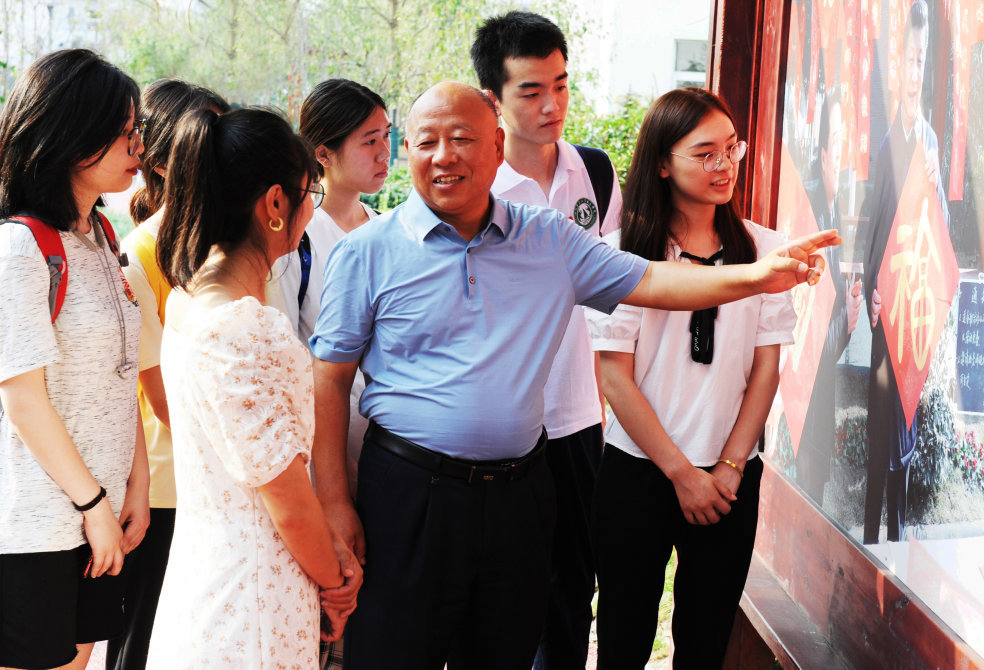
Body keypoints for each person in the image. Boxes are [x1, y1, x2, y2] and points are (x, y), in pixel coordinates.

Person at [310, 81, 839, 670]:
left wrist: (757, 276)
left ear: (497, 146)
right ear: (407, 150)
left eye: (461, 138)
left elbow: (654, 280)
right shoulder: (366, 251)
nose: (443, 156)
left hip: (517, 495)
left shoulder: (547, 238)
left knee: (506, 655)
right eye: (425, 142)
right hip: (409, 494)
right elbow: (329, 381)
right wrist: (334, 502)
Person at [144, 107, 361, 668]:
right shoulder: (242, 327)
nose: (311, 207)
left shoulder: (191, 297)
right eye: (309, 192)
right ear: (274, 204)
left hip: (211, 576)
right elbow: (285, 500)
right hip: (252, 599)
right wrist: (337, 582)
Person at [587, 86, 795, 669]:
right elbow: (614, 379)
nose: (724, 164)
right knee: (623, 638)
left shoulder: (765, 251)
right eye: (705, 154)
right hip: (638, 471)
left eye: (731, 148)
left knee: (706, 643)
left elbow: (766, 369)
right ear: (662, 163)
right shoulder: (621, 253)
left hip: (730, 477)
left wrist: (729, 466)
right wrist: (681, 474)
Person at [0, 48, 150, 670]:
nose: (138, 146)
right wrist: (94, 506)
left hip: (96, 517)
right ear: (72, 135)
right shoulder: (19, 247)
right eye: (124, 131)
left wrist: (136, 486)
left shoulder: (102, 237)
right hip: (31, 524)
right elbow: (24, 401)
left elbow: (122, 374)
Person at [471, 14, 619, 668]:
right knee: (498, 592)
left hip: (578, 416)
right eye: (531, 91)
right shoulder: (473, 186)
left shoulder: (595, 173)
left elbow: (622, 287)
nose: (552, 105)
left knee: (571, 589)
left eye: (560, 85)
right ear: (493, 100)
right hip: (497, 425)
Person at [108, 78, 229, 670]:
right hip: (164, 489)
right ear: (159, 160)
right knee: (143, 642)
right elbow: (160, 399)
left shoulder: (222, 242)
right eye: (207, 139)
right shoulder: (141, 252)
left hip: (212, 472)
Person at [266, 78, 390, 500]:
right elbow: (285, 359)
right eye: (369, 141)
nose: (384, 152)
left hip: (394, 447)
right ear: (323, 154)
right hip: (326, 450)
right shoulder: (296, 240)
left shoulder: (388, 230)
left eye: (387, 135)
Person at [862, 0, 949, 544]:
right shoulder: (887, 139)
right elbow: (873, 225)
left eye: (921, 60)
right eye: (907, 60)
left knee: (908, 417)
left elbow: (939, 230)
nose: (913, 71)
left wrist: (936, 187)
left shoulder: (932, 141)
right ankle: (872, 537)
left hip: (915, 308)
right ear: (895, 69)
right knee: (881, 420)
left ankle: (896, 537)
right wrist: (869, 288)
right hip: (887, 304)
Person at [796, 89, 863, 506]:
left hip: (814, 398)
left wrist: (851, 313)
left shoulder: (833, 209)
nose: (844, 155)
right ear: (822, 155)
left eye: (848, 143)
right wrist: (848, 320)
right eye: (837, 143)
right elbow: (810, 337)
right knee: (809, 486)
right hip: (802, 402)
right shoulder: (813, 216)